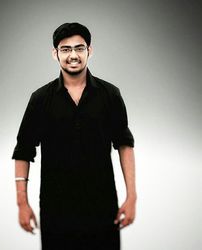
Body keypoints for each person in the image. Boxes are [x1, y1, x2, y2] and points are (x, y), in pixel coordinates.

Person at [12, 22, 136, 250]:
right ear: (55, 54)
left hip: (102, 206)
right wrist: (22, 202)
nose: (73, 55)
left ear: (89, 51)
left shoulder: (110, 95)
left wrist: (132, 197)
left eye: (79, 48)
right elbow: (23, 150)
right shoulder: (40, 99)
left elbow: (124, 144)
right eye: (65, 49)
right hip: (56, 210)